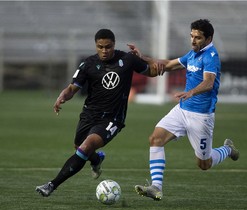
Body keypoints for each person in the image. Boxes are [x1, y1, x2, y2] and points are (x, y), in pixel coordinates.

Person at [35, 29, 161, 197]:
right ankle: (96, 160)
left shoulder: (128, 59)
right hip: (89, 114)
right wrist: (62, 96)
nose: (104, 51)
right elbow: (73, 88)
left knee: (85, 147)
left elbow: (152, 72)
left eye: (108, 47)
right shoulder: (88, 64)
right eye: (100, 47)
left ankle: (51, 185)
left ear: (114, 45)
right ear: (96, 45)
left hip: (112, 118)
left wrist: (146, 58)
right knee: (80, 147)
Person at [128, 19, 239, 201]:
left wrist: (191, 92)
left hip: (201, 116)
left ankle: (227, 149)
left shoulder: (211, 56)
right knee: (155, 138)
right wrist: (142, 57)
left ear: (209, 38)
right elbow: (169, 64)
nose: (193, 40)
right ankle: (156, 187)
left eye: (198, 37)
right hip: (182, 110)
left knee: (204, 164)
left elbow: (209, 82)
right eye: (192, 36)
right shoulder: (193, 53)